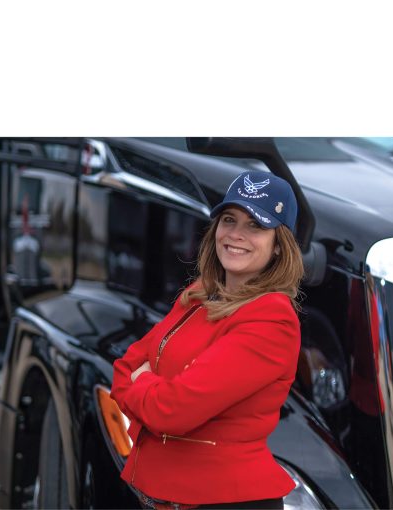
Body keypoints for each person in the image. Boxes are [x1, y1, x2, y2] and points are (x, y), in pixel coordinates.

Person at [110, 170, 304, 510]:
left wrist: (142, 383)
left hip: (226, 502)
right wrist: (148, 386)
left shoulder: (272, 319)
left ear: (278, 246)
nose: (236, 234)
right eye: (229, 220)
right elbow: (126, 365)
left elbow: (172, 410)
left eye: (255, 225)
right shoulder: (199, 294)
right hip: (165, 495)